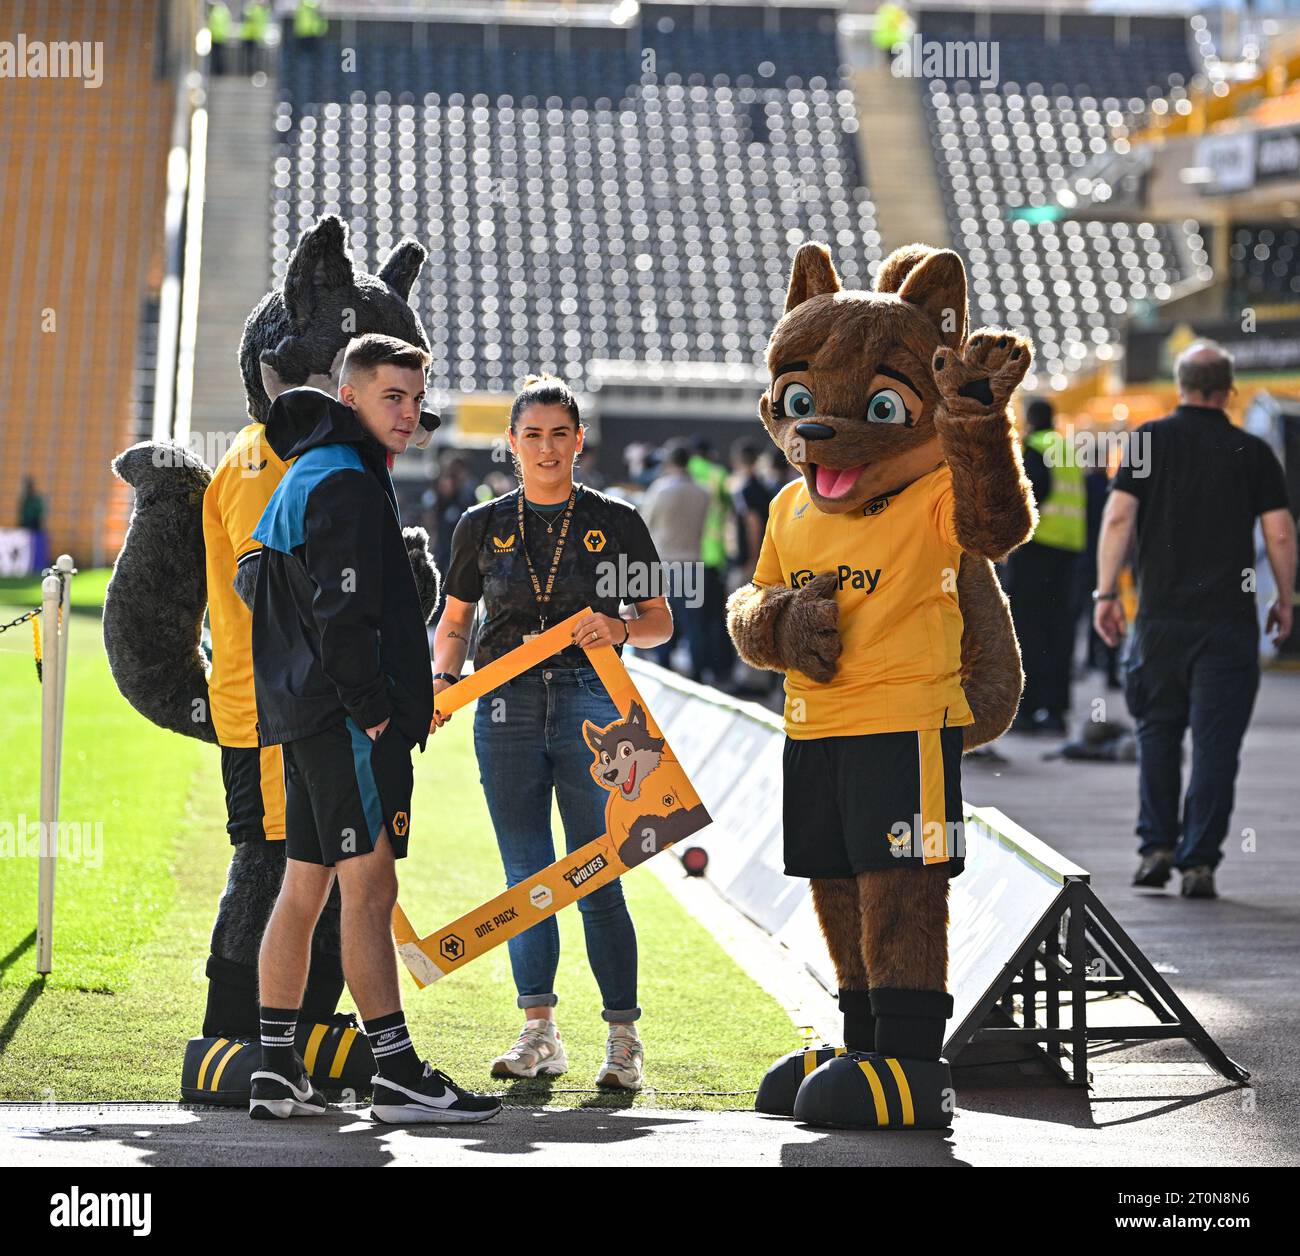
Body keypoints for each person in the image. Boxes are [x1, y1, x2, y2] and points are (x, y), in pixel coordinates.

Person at [248, 334, 500, 1123]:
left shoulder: (314, 469)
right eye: (393, 396)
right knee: (370, 888)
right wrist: (375, 705)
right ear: (349, 396)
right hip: (344, 720)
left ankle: (275, 1068)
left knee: (305, 886)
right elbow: (341, 610)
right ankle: (395, 1072)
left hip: (306, 716)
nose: (409, 412)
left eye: (417, 398)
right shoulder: (346, 480)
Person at [433, 373, 673, 1090]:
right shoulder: (480, 524)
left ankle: (623, 1039)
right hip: (502, 706)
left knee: (599, 873)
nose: (545, 448)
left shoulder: (617, 519)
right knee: (528, 876)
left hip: (592, 705)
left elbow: (660, 622)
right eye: (531, 435)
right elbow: (453, 624)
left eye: (559, 434)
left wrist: (622, 625)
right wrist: (443, 683)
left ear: (579, 441)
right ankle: (539, 1032)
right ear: (511, 442)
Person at [1095, 340, 1296, 899]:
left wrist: (1105, 593)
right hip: (1229, 626)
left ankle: (1155, 847)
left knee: (1157, 733)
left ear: (1181, 385)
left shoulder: (1146, 441)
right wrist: (1284, 597)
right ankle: (1199, 863)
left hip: (1159, 621)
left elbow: (1117, 520)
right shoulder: (1253, 451)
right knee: (1216, 744)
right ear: (1229, 391)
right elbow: (1279, 532)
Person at [1008, 397, 1086, 733]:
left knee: (1028, 628)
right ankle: (1056, 710)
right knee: (1060, 631)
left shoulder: (1034, 447)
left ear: (1030, 419)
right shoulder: (1067, 449)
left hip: (1037, 551)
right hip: (1069, 551)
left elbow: (1031, 494)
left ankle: (1028, 709)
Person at [641, 442, 709, 675]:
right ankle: (699, 673)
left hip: (665, 563)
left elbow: (644, 524)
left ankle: (665, 670)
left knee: (661, 619)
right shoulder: (702, 492)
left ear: (670, 462)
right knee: (694, 626)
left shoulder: (660, 489)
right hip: (693, 562)